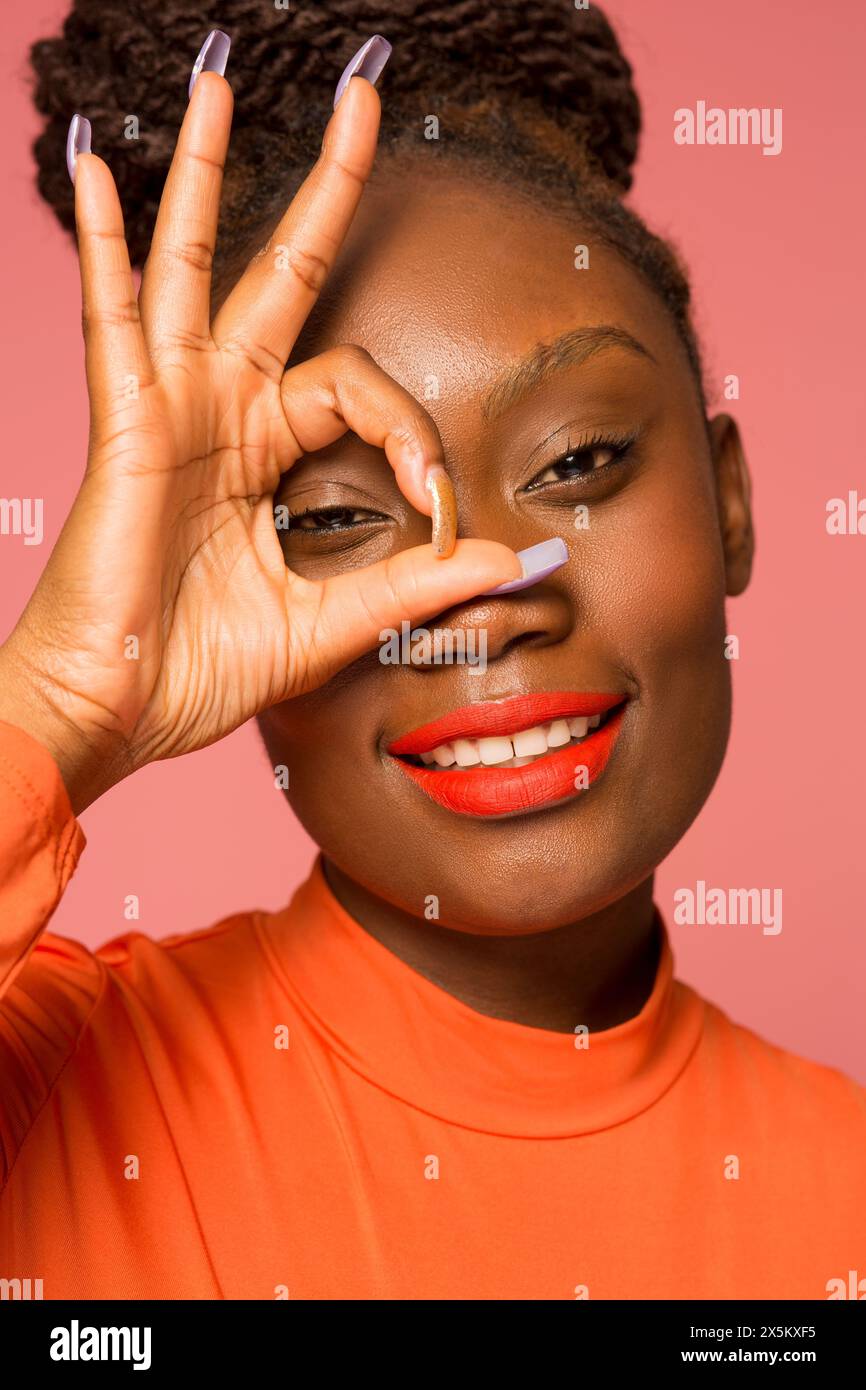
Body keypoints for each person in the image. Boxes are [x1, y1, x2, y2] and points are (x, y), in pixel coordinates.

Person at [0, 2, 862, 1300]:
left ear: (728, 503)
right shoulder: (48, 1089)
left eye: (575, 463)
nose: (475, 591)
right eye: (338, 515)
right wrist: (61, 699)